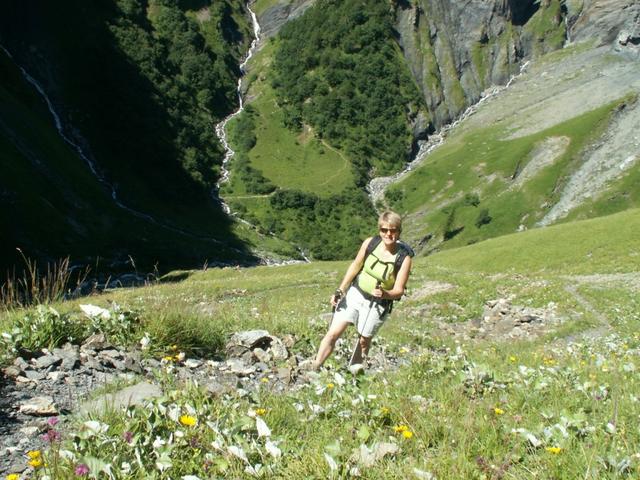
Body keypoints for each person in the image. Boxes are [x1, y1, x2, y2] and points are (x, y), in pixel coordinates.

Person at [311, 211, 413, 370]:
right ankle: (315, 366)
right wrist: (340, 289)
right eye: (384, 230)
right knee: (333, 332)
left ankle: (353, 374)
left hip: (378, 304)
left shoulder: (404, 259)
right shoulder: (370, 243)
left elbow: (399, 290)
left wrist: (385, 294)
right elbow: (356, 266)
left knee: (364, 341)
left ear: (399, 232)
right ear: (379, 230)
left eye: (393, 230)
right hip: (355, 293)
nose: (388, 234)